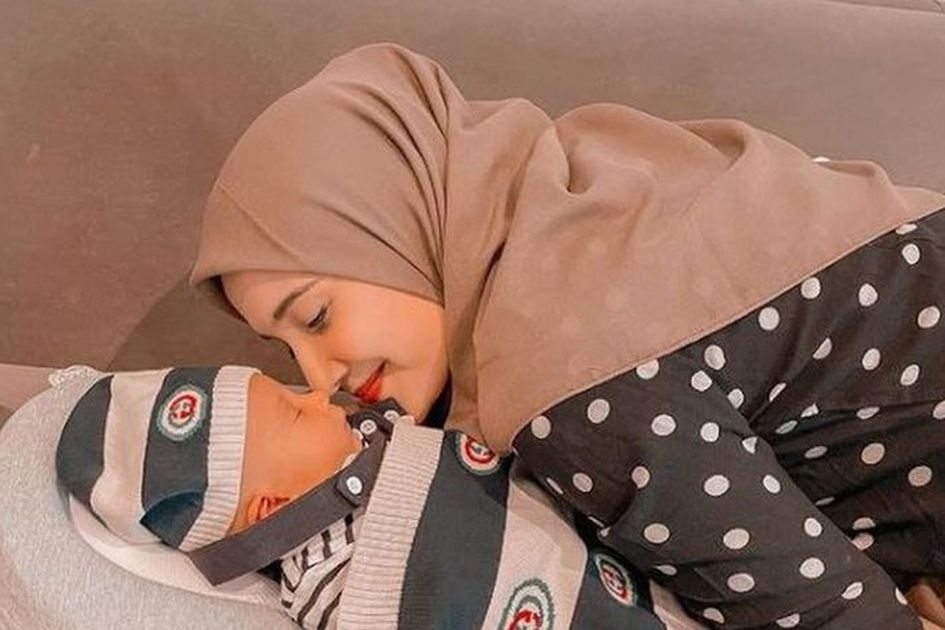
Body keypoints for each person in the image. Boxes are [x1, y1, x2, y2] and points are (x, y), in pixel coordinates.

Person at [187, 41, 945, 628]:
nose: (321, 378)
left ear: (393, 224)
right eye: (286, 351)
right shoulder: (599, 185)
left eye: (315, 316)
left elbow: (828, 613)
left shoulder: (559, 367)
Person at [55, 365, 666, 629]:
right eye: (296, 413)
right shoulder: (337, 577)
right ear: (272, 508)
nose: (320, 395)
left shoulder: (372, 448)